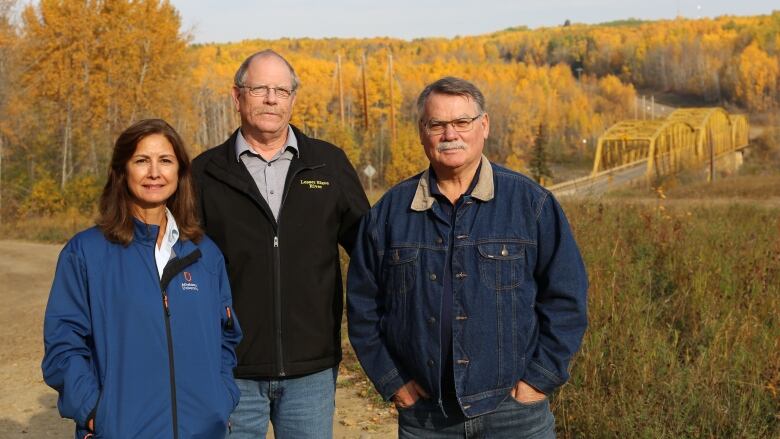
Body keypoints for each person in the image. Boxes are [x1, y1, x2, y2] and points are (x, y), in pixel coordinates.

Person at [347, 77, 589, 438]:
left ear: (484, 125)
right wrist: (394, 382)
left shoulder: (530, 204)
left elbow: (567, 299)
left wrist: (538, 381)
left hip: (514, 414)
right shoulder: (389, 214)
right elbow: (363, 307)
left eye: (462, 122)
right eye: (437, 124)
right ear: (422, 131)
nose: (450, 134)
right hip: (427, 416)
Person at [192, 49, 369, 438]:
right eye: (260, 89)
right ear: (237, 96)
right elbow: (181, 269)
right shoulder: (204, 172)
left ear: (292, 99)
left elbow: (369, 252)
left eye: (281, 90)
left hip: (312, 368)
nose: (272, 99)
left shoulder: (328, 164)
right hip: (230, 366)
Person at [42, 119, 242, 439]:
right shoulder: (86, 253)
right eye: (141, 161)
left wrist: (221, 398)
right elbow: (64, 345)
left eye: (165, 161)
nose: (154, 173)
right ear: (122, 171)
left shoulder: (206, 254)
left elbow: (226, 338)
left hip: (204, 429)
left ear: (180, 172)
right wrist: (95, 412)